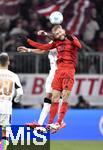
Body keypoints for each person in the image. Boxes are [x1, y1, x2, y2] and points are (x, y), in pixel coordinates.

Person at [20, 25, 82, 131]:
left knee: (65, 96)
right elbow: (43, 47)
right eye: (56, 34)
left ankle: (59, 122)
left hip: (68, 71)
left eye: (60, 32)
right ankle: (49, 124)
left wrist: (71, 38)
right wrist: (28, 41)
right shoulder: (56, 43)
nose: (59, 34)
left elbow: (79, 46)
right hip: (58, 72)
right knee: (54, 98)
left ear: (63, 30)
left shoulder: (72, 38)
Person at [17, 43, 66, 133]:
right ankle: (40, 123)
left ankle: (60, 122)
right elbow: (43, 49)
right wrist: (28, 50)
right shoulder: (53, 43)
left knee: (57, 97)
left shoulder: (63, 43)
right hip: (52, 73)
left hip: (59, 73)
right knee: (48, 98)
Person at [0, 53, 23, 150]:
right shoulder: (13, 76)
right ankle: (2, 149)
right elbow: (20, 93)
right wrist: (15, 100)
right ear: (8, 62)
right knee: (5, 132)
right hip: (6, 106)